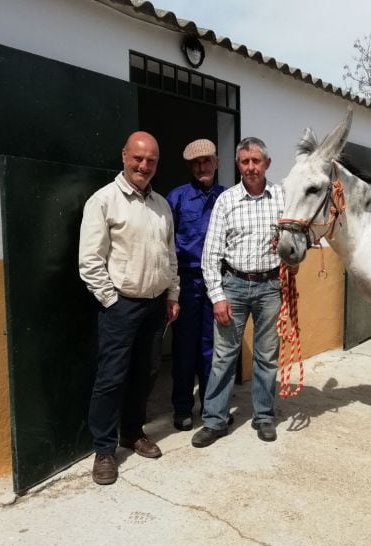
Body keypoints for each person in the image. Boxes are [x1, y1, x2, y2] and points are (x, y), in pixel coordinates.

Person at [78, 131, 180, 485]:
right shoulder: (104, 201)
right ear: (124, 156)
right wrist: (111, 300)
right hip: (121, 307)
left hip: (155, 307)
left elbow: (170, 256)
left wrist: (172, 295)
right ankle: (104, 450)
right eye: (138, 158)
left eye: (151, 160)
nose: (144, 165)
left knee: (147, 373)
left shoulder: (162, 205)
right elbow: (90, 260)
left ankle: (132, 433)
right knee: (111, 379)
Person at [191, 137, 285, 448]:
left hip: (270, 286)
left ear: (267, 164)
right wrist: (217, 296)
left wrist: (287, 250)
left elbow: (301, 237)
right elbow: (211, 255)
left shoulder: (282, 198)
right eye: (244, 162)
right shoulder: (226, 201)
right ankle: (215, 420)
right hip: (232, 285)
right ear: (237, 165)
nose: (250, 167)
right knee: (223, 356)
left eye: (255, 161)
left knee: (267, 356)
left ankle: (263, 416)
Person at [166, 139, 226, 431]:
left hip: (218, 282)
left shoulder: (228, 198)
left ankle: (211, 404)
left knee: (212, 348)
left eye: (207, 161)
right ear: (191, 167)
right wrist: (172, 290)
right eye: (196, 163)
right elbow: (165, 244)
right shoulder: (176, 198)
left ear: (217, 162)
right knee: (184, 348)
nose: (202, 167)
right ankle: (182, 407)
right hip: (187, 281)